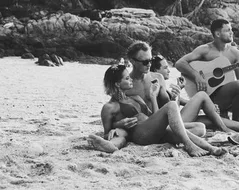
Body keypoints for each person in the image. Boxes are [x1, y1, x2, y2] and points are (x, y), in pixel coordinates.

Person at [87, 64, 226, 157]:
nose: (131, 80)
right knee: (171, 105)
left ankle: (211, 149)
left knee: (198, 128)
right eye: (127, 78)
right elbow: (107, 133)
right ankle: (189, 145)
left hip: (151, 129)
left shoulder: (134, 97)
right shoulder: (109, 107)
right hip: (141, 135)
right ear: (117, 84)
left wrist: (153, 97)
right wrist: (119, 125)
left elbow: (153, 116)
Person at [151, 53, 239, 134]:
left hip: (179, 118)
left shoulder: (164, 87)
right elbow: (163, 111)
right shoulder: (155, 86)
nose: (169, 70)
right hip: (171, 123)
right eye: (165, 68)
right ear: (156, 70)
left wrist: (209, 107)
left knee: (212, 119)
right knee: (202, 94)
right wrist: (175, 97)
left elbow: (185, 102)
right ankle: (224, 129)